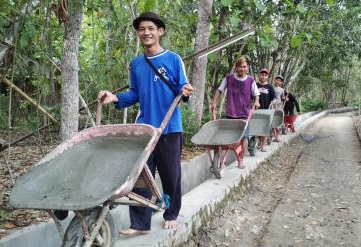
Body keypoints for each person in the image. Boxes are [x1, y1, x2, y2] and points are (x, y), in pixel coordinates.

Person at [97, 12, 194, 236]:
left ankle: (171, 213)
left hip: (169, 127)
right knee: (141, 176)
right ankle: (140, 223)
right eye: (142, 29)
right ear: (138, 33)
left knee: (171, 175)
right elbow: (135, 93)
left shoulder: (173, 59)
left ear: (160, 31)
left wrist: (185, 91)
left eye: (151, 28)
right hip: (144, 129)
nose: (146, 32)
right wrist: (116, 98)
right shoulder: (137, 64)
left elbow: (183, 87)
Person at [211, 56, 260, 167]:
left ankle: (241, 159)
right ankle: (223, 160)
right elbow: (219, 90)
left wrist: (256, 102)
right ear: (236, 67)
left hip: (244, 114)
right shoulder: (229, 78)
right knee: (228, 137)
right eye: (240, 66)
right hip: (231, 113)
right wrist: (214, 103)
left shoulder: (250, 80)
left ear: (247, 67)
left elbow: (256, 95)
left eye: (244, 67)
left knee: (244, 137)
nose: (242, 69)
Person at [250, 68, 275, 152]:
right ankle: (259, 142)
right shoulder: (255, 85)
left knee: (265, 127)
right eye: (262, 75)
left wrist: (272, 102)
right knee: (257, 126)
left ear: (267, 76)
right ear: (259, 75)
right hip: (256, 110)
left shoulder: (270, 87)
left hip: (266, 110)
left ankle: (264, 145)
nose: (263, 77)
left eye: (265, 75)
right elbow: (251, 96)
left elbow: (273, 97)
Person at [271, 75, 286, 141]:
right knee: (272, 121)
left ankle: (276, 137)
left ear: (281, 83)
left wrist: (285, 98)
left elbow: (282, 98)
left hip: (279, 106)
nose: (278, 81)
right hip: (272, 106)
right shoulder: (271, 88)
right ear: (274, 80)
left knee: (278, 121)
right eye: (277, 80)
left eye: (279, 81)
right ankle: (274, 136)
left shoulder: (282, 90)